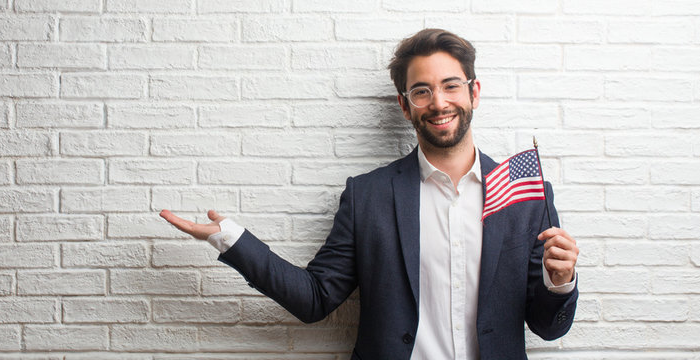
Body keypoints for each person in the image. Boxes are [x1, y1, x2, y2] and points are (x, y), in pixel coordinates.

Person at [160, 28, 579, 360]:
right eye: (422, 91)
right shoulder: (369, 196)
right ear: (405, 105)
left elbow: (549, 327)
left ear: (474, 92)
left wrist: (559, 282)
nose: (438, 102)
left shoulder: (527, 195)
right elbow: (315, 299)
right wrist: (230, 239)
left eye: (451, 85)